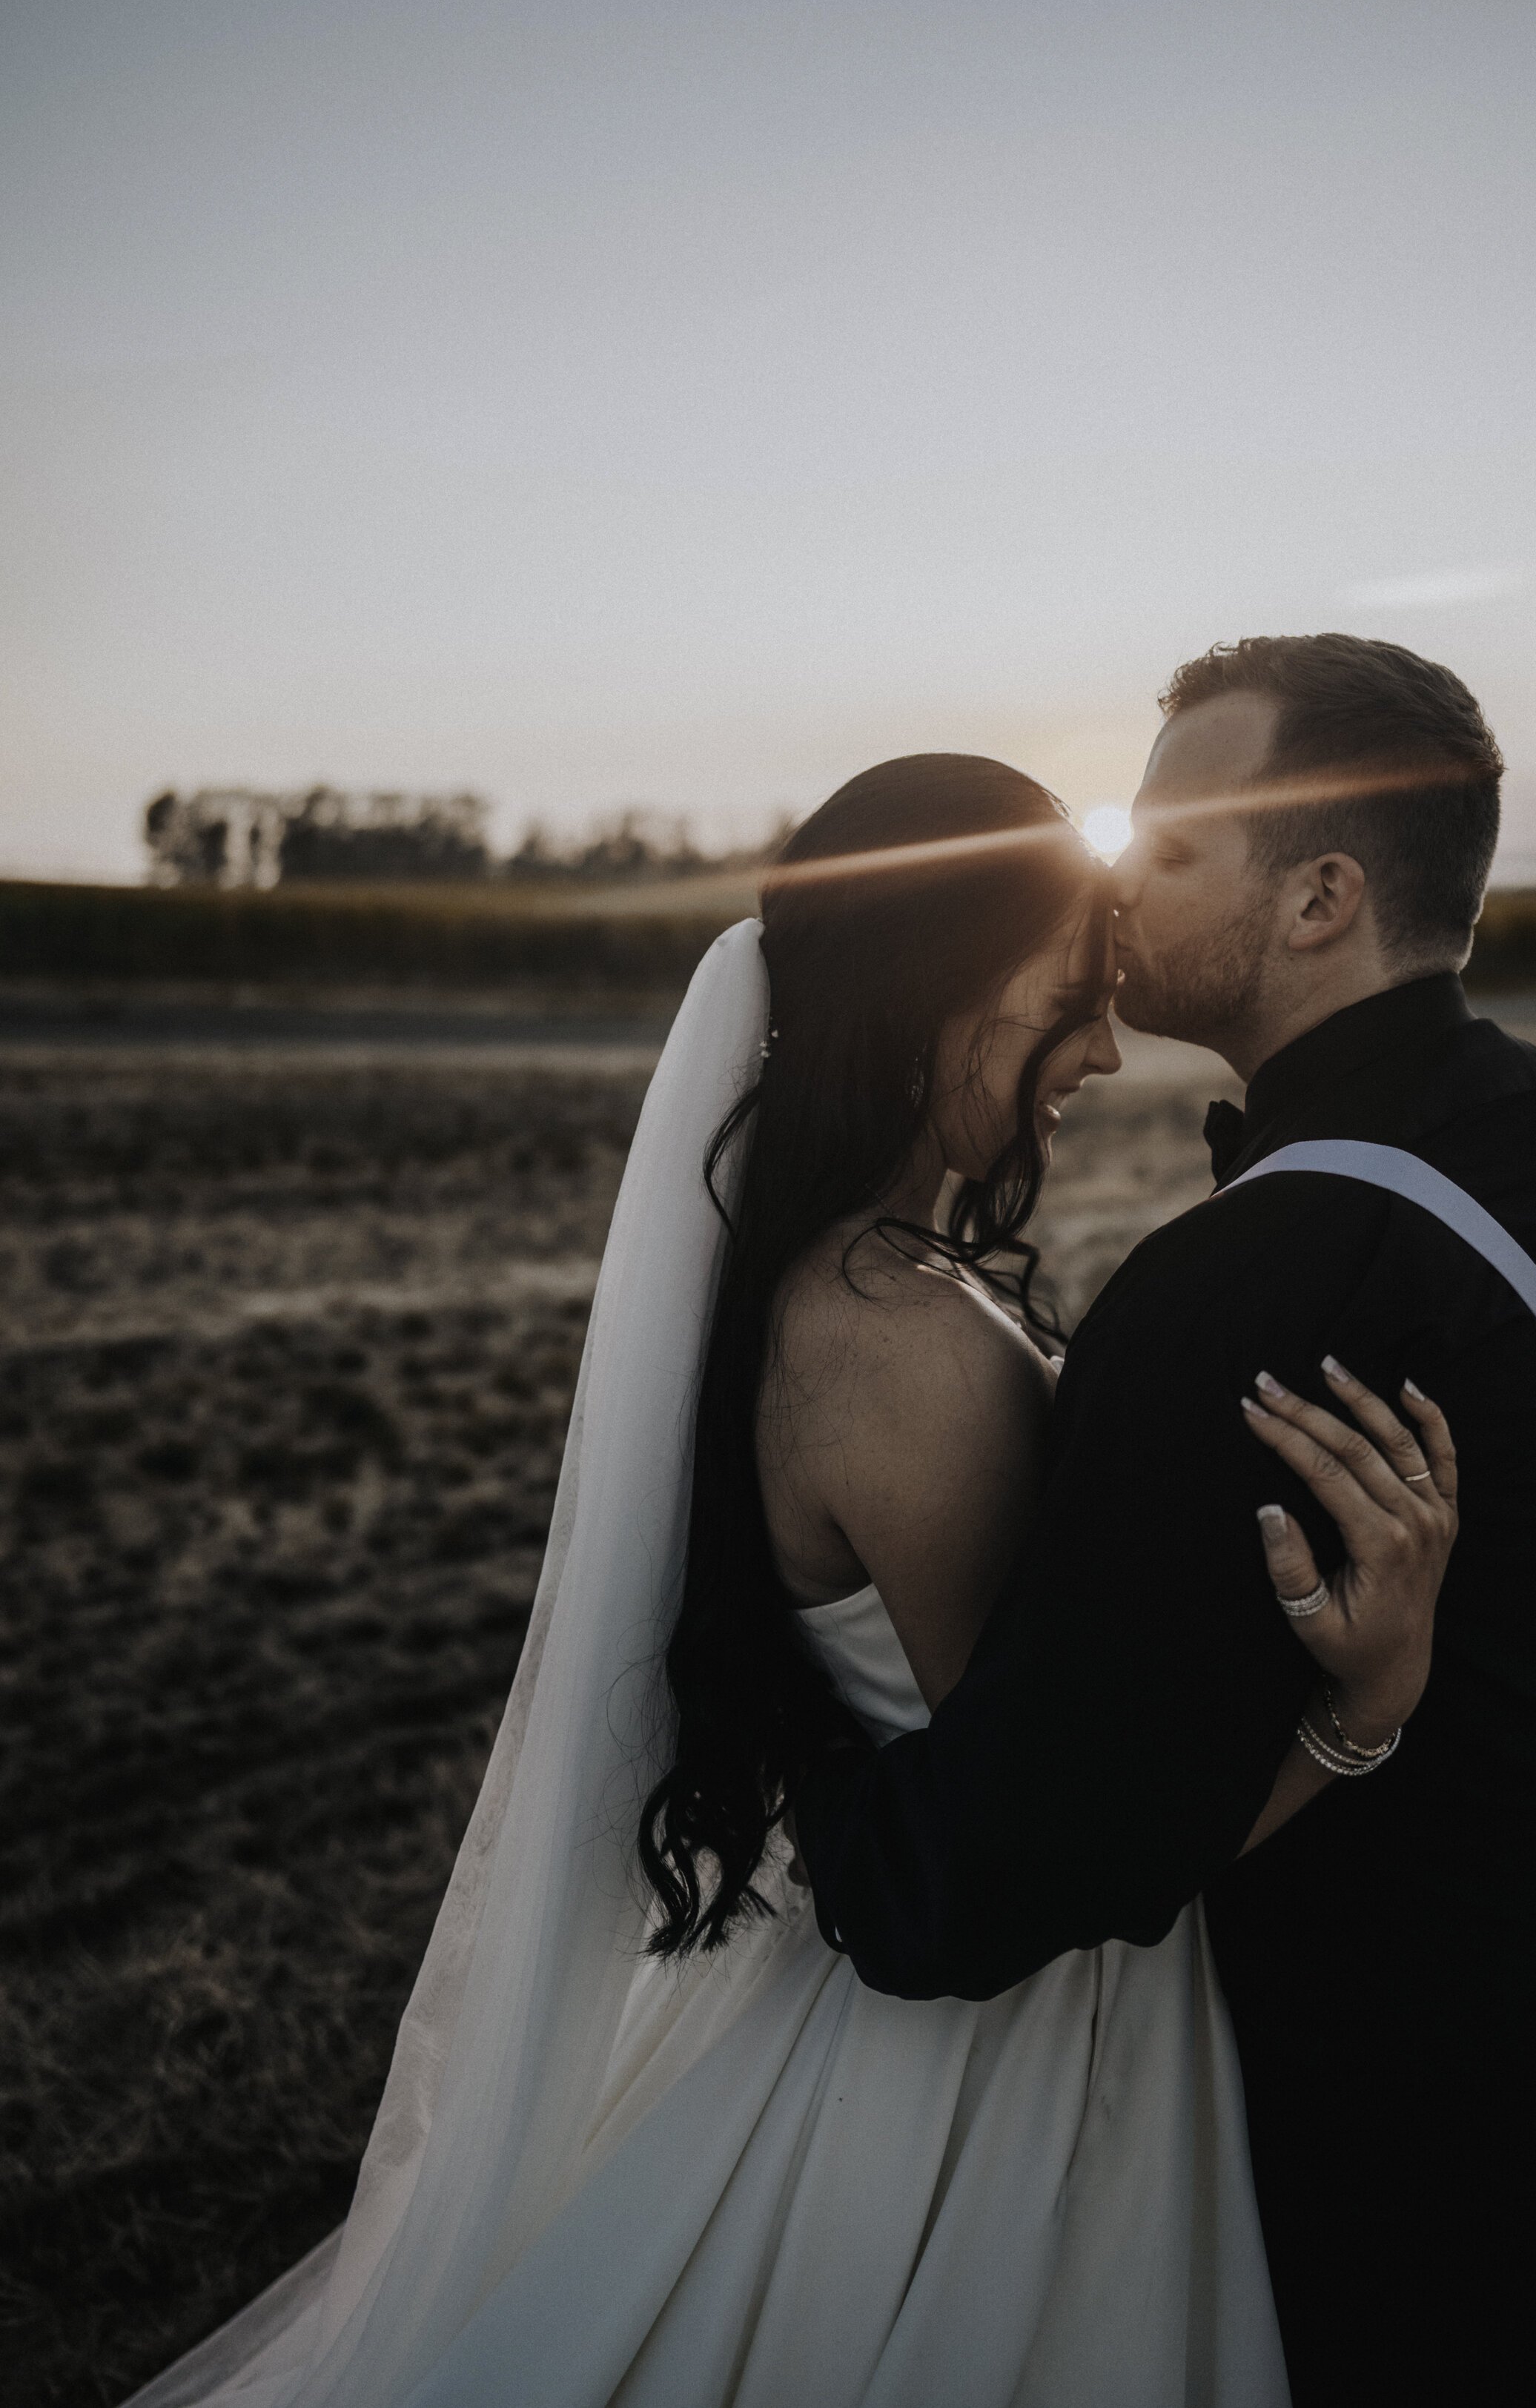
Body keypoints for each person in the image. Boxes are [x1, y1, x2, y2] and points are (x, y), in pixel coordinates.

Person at [124, 750, 1458, 2408]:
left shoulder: (869, 1283)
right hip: (995, 2064)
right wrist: (1357, 1710)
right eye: (1066, 998)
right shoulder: (893, 1339)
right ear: (929, 994)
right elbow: (1053, 1824)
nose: (1105, 1049)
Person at [797, 637, 1536, 2408]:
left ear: (1321, 895)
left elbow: (1017, 1857)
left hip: (1436, 2186)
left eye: (1173, 842)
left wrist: (771, 1742)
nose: (1120, 874)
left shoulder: (1237, 1291)